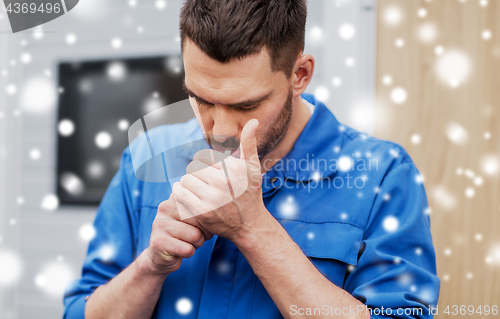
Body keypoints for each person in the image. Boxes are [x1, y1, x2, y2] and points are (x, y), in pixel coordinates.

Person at [63, 0, 440, 318]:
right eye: (202, 99)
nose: (222, 130)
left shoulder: (383, 176)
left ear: (300, 74)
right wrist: (149, 267)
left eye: (246, 105)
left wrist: (254, 231)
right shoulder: (146, 157)